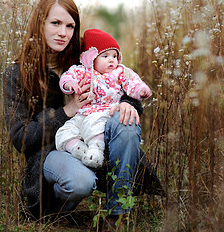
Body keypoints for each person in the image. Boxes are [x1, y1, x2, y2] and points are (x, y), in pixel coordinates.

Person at [2, 0, 162, 232]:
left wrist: (130, 101)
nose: (62, 32)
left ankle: (116, 215)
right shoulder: (18, 73)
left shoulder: (83, 57)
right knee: (81, 182)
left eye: (70, 25)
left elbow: (120, 75)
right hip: (52, 151)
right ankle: (52, 209)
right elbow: (21, 139)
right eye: (55, 23)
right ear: (39, 23)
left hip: (95, 134)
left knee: (125, 122)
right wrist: (68, 110)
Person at [55, 29, 152, 169]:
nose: (111, 60)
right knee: (64, 132)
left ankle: (96, 152)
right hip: (82, 113)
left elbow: (132, 82)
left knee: (95, 128)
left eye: (114, 55)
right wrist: (69, 84)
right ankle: (79, 150)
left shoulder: (119, 72)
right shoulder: (82, 70)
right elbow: (67, 76)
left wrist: (140, 90)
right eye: (105, 56)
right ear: (91, 58)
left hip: (104, 112)